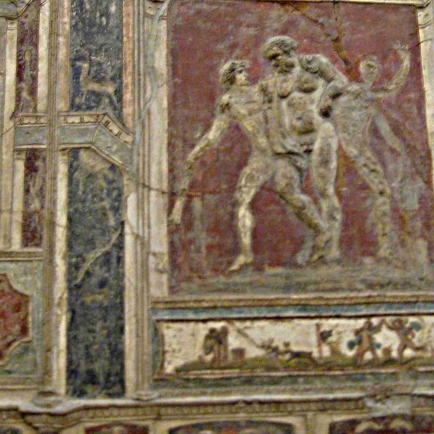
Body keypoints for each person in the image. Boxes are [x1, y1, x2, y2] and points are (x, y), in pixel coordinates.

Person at [171, 58, 331, 272]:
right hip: (260, 157)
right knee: (242, 200)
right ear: (230, 78)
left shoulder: (262, 90)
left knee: (290, 194)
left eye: (244, 71)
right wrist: (195, 153)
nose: (245, 75)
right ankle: (246, 253)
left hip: (282, 151)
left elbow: (290, 91)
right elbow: (213, 136)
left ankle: (321, 231)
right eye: (239, 72)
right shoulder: (230, 104)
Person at [259, 35, 348, 261]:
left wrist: (326, 97)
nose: (274, 63)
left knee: (324, 189)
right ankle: (321, 231)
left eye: (277, 57)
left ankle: (333, 247)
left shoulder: (313, 64)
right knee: (284, 188)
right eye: (271, 60)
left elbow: (340, 81)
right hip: (290, 143)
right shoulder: (273, 82)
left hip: (319, 134)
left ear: (289, 51)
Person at [331, 43, 411, 259]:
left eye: (374, 70)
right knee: (334, 195)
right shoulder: (350, 91)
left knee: (382, 191)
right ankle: (331, 248)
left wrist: (405, 63)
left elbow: (393, 88)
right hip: (342, 149)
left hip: (357, 150)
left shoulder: (369, 95)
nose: (371, 73)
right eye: (367, 68)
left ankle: (384, 247)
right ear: (359, 71)